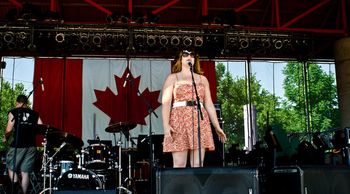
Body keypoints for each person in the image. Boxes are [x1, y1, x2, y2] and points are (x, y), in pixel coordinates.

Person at [162, 49, 227, 168]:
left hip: (199, 120)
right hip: (179, 120)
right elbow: (166, 103)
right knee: (179, 164)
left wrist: (217, 126)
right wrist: (166, 126)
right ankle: (180, 187)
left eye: (192, 55)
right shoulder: (173, 78)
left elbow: (209, 104)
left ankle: (195, 187)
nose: (189, 57)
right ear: (180, 59)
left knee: (197, 164)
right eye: (185, 54)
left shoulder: (203, 79)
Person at [2, 94, 42, 194]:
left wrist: (5, 138)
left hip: (18, 145)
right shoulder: (35, 113)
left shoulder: (14, 112)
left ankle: (16, 184)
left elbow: (9, 129)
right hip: (31, 146)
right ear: (26, 103)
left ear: (18, 103)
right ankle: (22, 192)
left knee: (10, 167)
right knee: (25, 172)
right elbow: (42, 127)